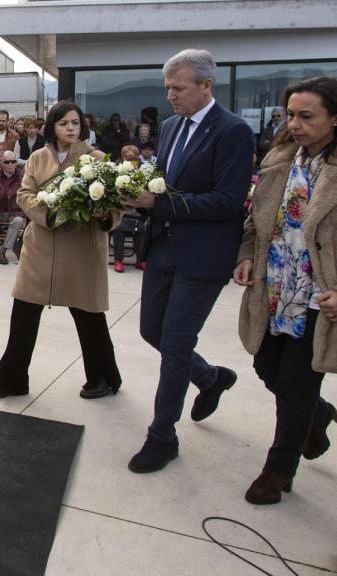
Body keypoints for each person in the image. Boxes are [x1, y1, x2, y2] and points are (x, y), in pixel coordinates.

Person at [233, 77, 337, 504]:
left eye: (306, 116)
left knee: (295, 385)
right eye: (291, 114)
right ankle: (318, 416)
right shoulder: (279, 160)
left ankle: (278, 471)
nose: (295, 123)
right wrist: (248, 254)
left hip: (321, 300)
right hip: (274, 294)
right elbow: (257, 221)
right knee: (268, 369)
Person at [121, 48, 255, 474]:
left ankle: (163, 437)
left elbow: (228, 201)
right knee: (151, 331)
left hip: (203, 256)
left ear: (206, 86)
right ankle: (212, 378)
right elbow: (164, 181)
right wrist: (135, 194)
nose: (171, 96)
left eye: (178, 88)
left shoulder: (233, 131)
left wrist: (158, 202)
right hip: (163, 247)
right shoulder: (170, 126)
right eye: (168, 89)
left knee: (176, 343)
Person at [0, 101, 123, 401]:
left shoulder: (95, 159)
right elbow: (24, 194)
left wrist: (101, 213)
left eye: (75, 123)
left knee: (89, 317)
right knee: (23, 316)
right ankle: (12, 381)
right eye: (63, 123)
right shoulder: (37, 158)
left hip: (81, 251)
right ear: (52, 127)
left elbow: (114, 203)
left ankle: (103, 378)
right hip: (41, 248)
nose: (71, 128)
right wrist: (48, 215)